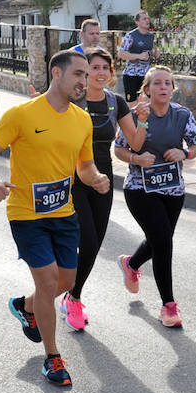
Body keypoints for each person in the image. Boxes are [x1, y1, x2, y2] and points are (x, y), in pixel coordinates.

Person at [0, 50, 109, 386]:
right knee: (49, 281)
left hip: (64, 213)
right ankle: (53, 358)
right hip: (26, 213)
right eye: (78, 74)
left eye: (86, 75)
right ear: (57, 73)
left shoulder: (82, 120)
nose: (84, 81)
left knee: (66, 281)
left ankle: (25, 306)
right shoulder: (22, 114)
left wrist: (94, 177)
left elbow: (83, 164)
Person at [114, 65, 196, 328]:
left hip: (173, 188)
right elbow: (119, 150)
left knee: (160, 239)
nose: (163, 88)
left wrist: (185, 154)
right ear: (147, 89)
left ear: (173, 88)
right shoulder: (136, 114)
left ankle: (131, 264)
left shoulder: (182, 115)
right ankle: (169, 306)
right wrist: (136, 158)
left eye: (168, 83)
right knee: (163, 242)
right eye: (157, 83)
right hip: (140, 188)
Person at [61, 47, 146, 331]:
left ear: (111, 74)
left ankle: (69, 291)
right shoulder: (72, 100)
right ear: (84, 75)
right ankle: (73, 297)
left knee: (94, 243)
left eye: (102, 68)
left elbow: (134, 142)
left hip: (103, 178)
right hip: (73, 177)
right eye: (91, 69)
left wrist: (142, 119)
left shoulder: (117, 102)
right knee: (86, 240)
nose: (97, 73)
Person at [115, 10, 157, 100]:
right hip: (131, 74)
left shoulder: (151, 36)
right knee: (132, 103)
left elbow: (149, 52)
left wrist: (154, 54)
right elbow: (121, 53)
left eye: (148, 19)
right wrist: (139, 56)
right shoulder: (130, 36)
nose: (147, 21)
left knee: (147, 102)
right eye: (144, 19)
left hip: (146, 75)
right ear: (137, 22)